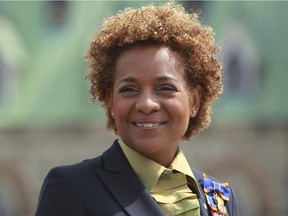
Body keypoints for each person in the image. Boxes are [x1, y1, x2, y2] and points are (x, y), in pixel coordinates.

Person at [35, 2, 239, 216]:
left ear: (194, 100)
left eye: (165, 88)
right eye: (129, 89)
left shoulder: (219, 198)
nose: (146, 104)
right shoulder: (72, 188)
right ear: (109, 99)